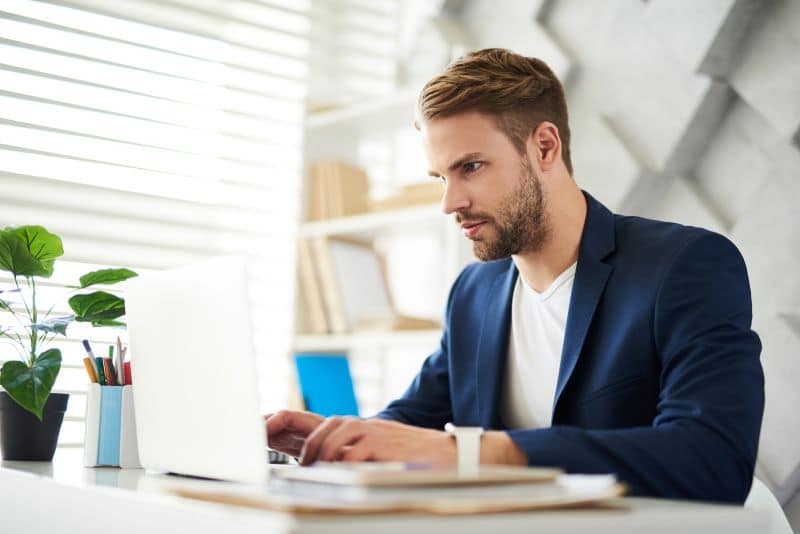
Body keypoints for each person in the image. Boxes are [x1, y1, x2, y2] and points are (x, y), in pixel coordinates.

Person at [266, 48, 764, 503]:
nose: (449, 203)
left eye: (471, 167)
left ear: (545, 147)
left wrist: (477, 453)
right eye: (441, 177)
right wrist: (337, 437)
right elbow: (413, 420)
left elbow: (713, 459)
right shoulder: (474, 292)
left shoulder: (685, 266)